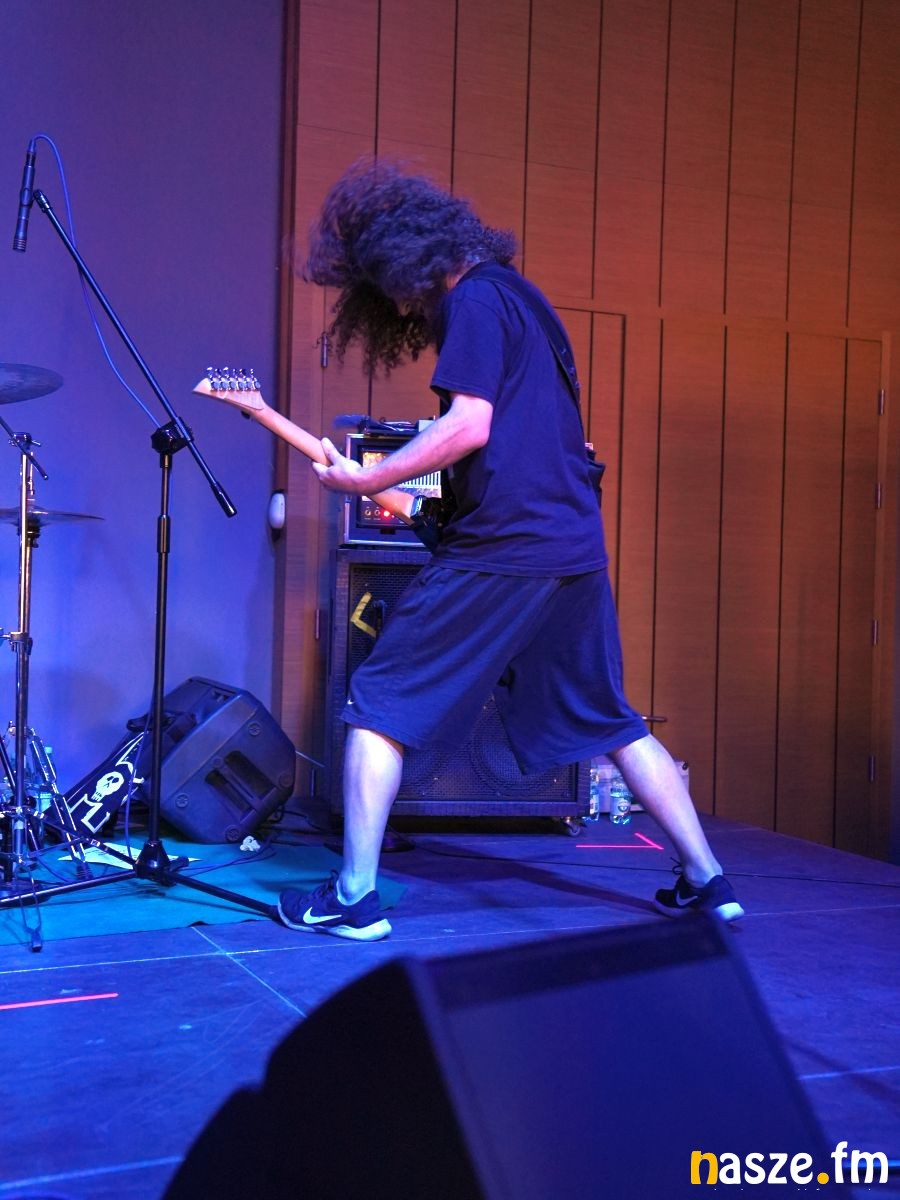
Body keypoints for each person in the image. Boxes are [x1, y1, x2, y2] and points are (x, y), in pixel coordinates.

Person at [253, 159, 744, 939]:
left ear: (406, 262)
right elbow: (530, 441)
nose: (400, 308)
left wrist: (370, 476)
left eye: (391, 289)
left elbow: (469, 426)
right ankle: (709, 879)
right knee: (612, 720)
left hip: (505, 548)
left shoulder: (476, 300)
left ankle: (353, 895)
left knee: (378, 702)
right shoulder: (525, 300)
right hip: (571, 545)